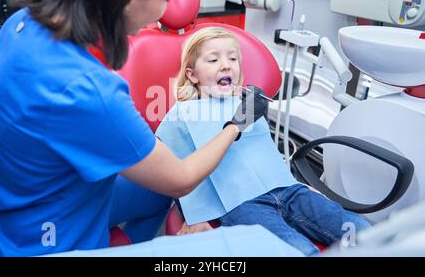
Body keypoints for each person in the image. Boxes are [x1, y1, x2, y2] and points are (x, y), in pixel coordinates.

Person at [0, 0, 269, 257]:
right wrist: (236, 124)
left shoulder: (22, 22)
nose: (164, 11)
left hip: (10, 217)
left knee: (154, 195)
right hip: (47, 245)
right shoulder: (88, 89)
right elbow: (180, 180)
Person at [156, 27, 371, 256]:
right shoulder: (184, 114)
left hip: (289, 190)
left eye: (233, 58)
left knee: (361, 231)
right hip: (241, 204)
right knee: (298, 251)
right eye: (213, 59)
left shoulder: (247, 104)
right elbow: (176, 171)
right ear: (192, 75)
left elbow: (262, 153)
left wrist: (298, 183)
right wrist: (194, 216)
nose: (226, 65)